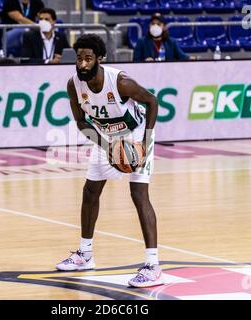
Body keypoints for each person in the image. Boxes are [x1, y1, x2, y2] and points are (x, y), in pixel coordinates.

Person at [55, 34, 164, 288]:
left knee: (139, 194)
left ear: (99, 59)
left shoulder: (120, 82)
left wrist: (145, 142)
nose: (82, 63)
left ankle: (153, 265)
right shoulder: (74, 85)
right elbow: (82, 122)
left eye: (88, 58)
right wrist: (108, 146)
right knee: (90, 190)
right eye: (79, 58)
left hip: (137, 136)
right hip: (108, 138)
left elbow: (152, 101)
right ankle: (85, 254)